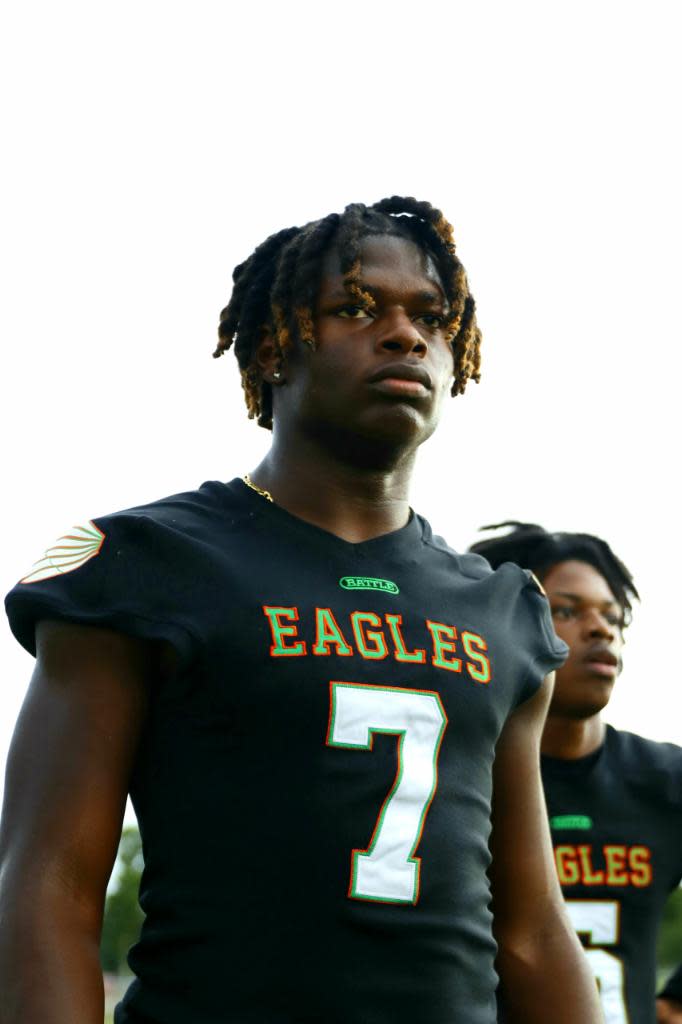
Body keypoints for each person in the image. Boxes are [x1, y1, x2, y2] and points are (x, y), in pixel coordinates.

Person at [0, 198, 602, 1024]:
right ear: (273, 343)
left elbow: (532, 930)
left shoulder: (503, 610)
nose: (403, 335)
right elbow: (48, 887)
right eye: (356, 307)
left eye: (430, 316)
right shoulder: (149, 563)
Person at [469, 522, 682, 1024]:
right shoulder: (454, 775)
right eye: (566, 610)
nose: (600, 628)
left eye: (612, 616)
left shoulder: (664, 780)